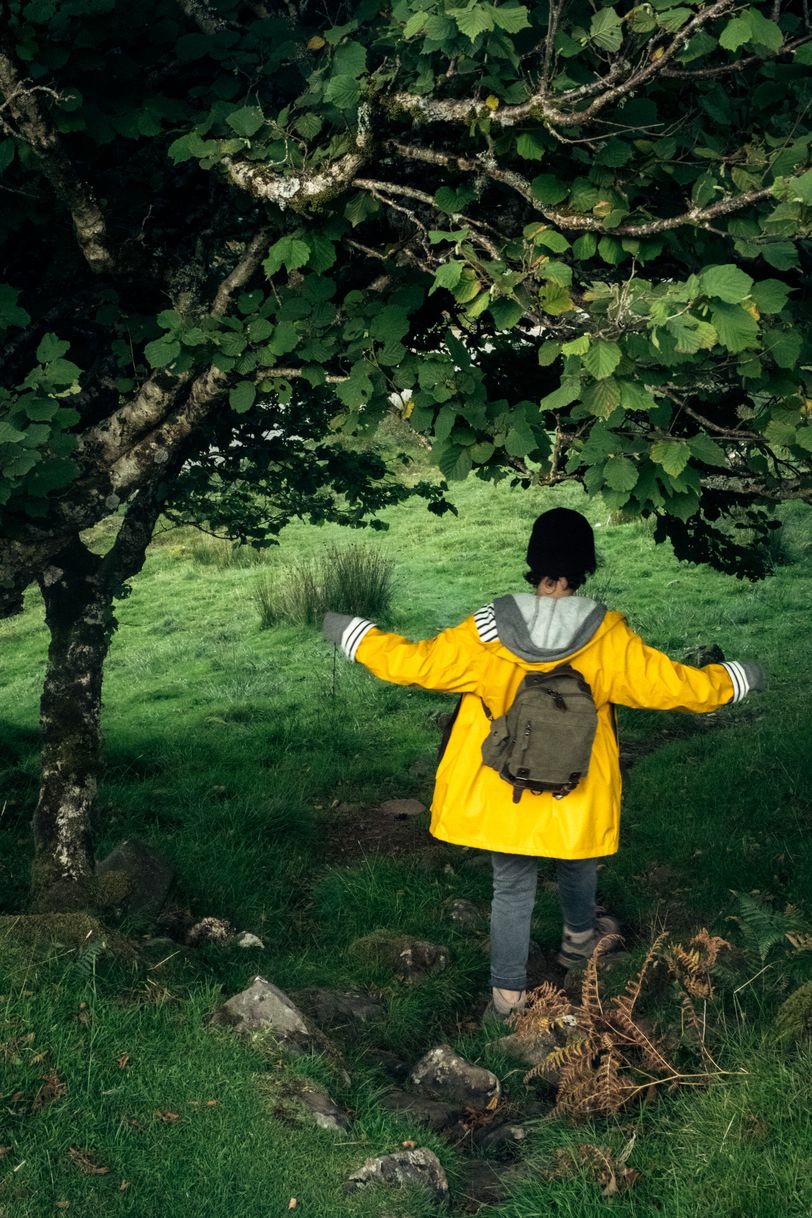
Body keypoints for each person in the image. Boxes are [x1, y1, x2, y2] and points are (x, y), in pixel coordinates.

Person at [322, 507, 764, 1021]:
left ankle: (507, 1000)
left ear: (534, 562)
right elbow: (673, 686)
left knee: (511, 886)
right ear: (585, 566)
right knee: (578, 856)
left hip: (504, 786)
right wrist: (737, 678)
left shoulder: (488, 630)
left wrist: (352, 632)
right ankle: (579, 944)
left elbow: (416, 663)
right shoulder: (607, 636)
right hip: (576, 783)